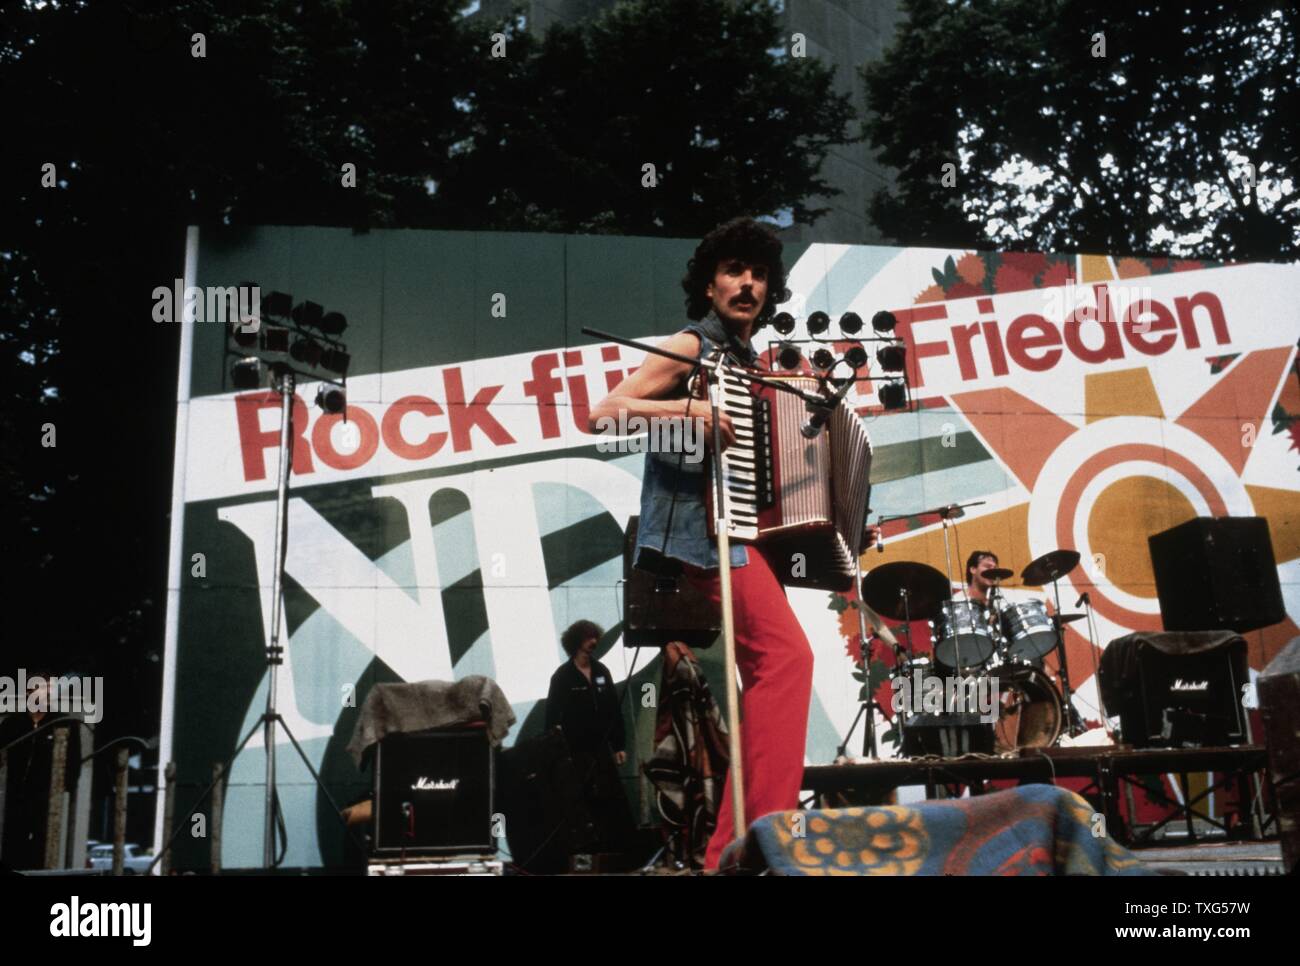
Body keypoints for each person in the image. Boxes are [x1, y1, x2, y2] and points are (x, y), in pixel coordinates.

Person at [588, 216, 877, 869]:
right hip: (700, 537)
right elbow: (604, 413)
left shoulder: (752, 364)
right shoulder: (692, 345)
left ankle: (735, 843)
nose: (746, 284)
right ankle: (753, 841)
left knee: (769, 671)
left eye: (758, 274)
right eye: (733, 272)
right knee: (787, 661)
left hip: (743, 538)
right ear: (710, 285)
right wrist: (691, 414)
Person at [544, 620, 633, 857]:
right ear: (576, 642)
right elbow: (551, 718)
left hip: (602, 748)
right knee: (583, 801)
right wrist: (557, 754)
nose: (594, 642)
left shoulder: (602, 671)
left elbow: (614, 710)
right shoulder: (562, 676)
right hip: (575, 751)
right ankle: (587, 854)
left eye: (595, 637)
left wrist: (619, 745)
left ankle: (613, 851)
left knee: (610, 799)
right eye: (588, 638)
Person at [0, 669, 81, 871]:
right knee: (11, 844)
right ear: (27, 693)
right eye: (37, 689)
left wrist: (65, 788)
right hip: (13, 796)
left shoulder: (65, 724)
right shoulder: (12, 724)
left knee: (42, 845)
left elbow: (73, 762)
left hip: (46, 797)